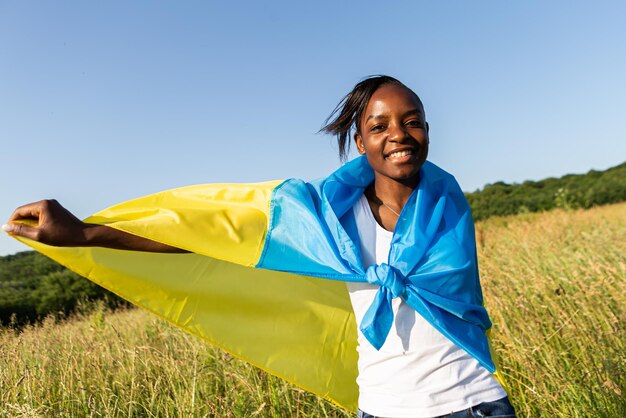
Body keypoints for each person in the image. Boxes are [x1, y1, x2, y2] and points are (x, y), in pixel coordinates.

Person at [4, 75, 516, 417]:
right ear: (359, 142)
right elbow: (211, 234)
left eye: (411, 121)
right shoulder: (323, 218)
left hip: (472, 404)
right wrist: (85, 234)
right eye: (378, 125)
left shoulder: (449, 206)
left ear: (427, 130)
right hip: (381, 408)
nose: (398, 134)